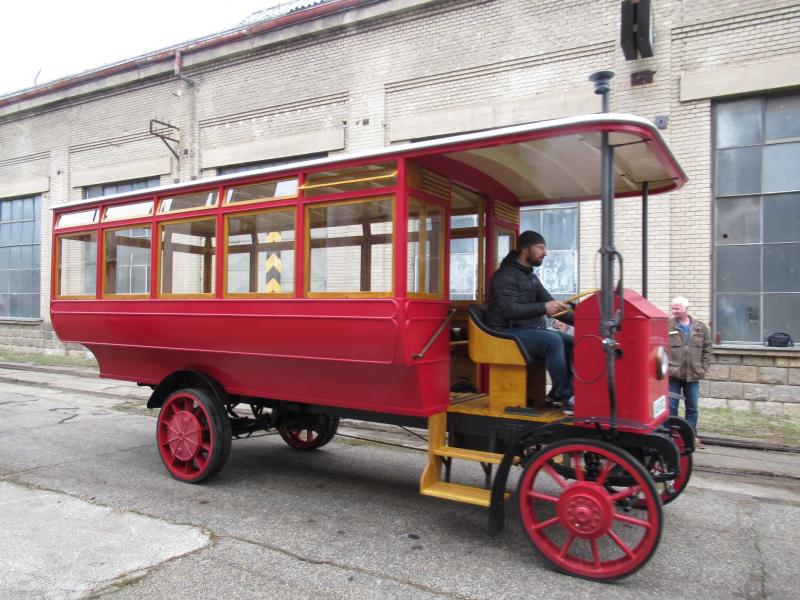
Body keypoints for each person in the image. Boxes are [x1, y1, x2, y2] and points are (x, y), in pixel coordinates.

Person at [487, 230, 574, 412]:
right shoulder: (504, 275)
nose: (545, 253)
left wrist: (587, 321)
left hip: (523, 330)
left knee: (571, 341)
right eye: (541, 248)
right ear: (525, 250)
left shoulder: (530, 277)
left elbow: (553, 306)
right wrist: (543, 308)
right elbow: (508, 310)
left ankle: (560, 392)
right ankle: (567, 397)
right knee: (554, 341)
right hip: (504, 333)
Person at [668, 296, 713, 447]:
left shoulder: (701, 327)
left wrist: (703, 368)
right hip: (673, 374)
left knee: (692, 407)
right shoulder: (667, 326)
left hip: (693, 374)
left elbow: (707, 350)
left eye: (677, 309)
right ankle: (671, 437)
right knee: (671, 407)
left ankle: (690, 437)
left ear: (686, 309)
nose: (674, 311)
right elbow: (659, 348)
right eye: (673, 308)